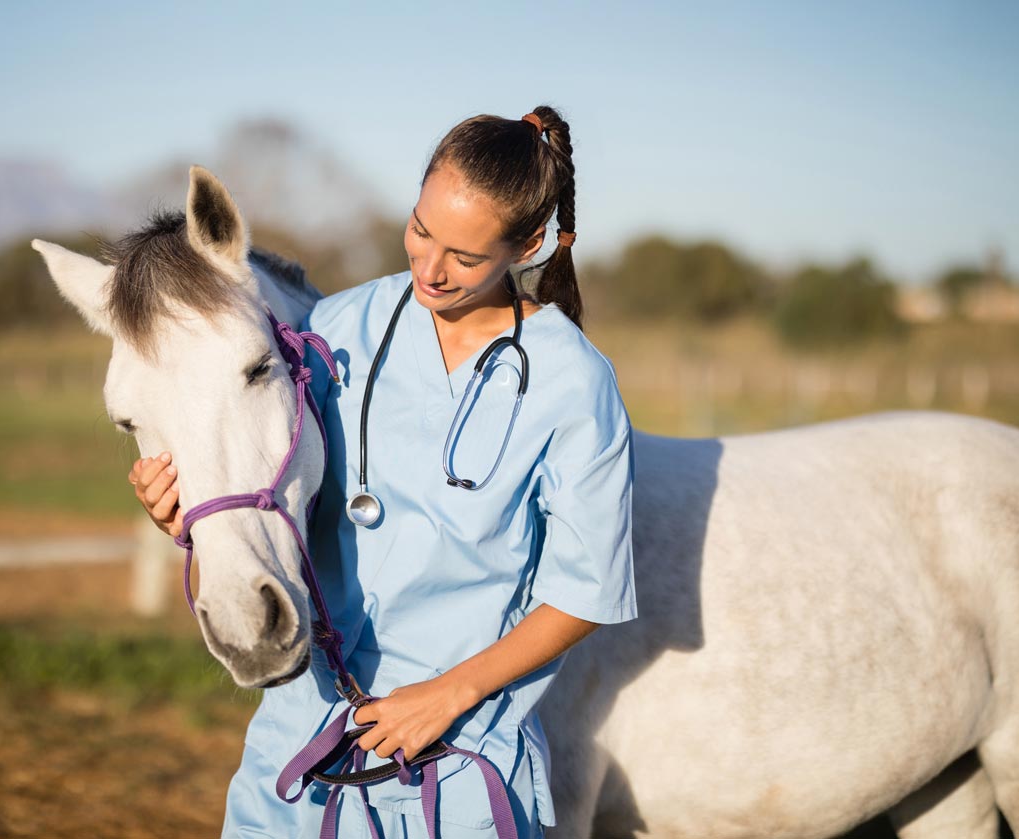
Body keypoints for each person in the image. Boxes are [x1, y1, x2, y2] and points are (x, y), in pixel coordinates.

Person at [128, 106, 638, 839]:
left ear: (527, 244)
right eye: (421, 230)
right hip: (303, 749)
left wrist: (446, 694)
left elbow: (584, 590)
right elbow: (266, 486)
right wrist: (180, 510)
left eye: (464, 256)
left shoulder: (572, 382)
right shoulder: (333, 330)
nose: (429, 269)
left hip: (456, 758)